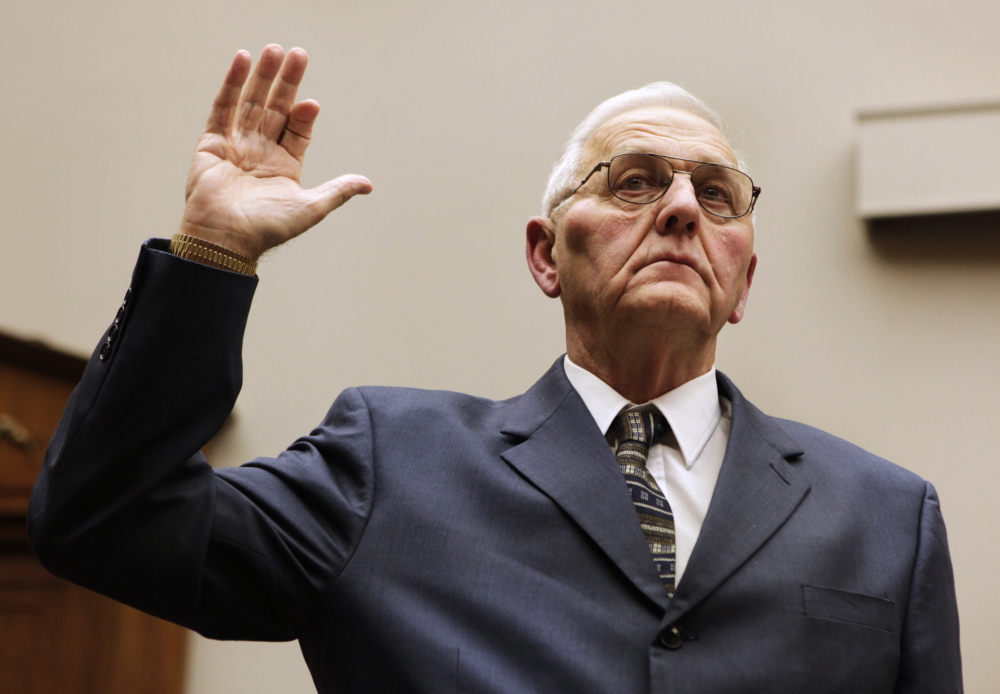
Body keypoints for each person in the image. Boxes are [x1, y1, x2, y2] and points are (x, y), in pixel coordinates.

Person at [29, 45, 962, 693]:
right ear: (546, 256)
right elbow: (105, 519)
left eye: (716, 194)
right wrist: (212, 253)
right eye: (635, 180)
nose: (682, 207)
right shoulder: (390, 465)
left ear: (742, 280)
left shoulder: (887, 516)